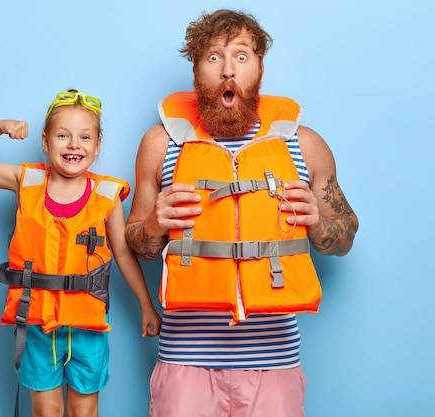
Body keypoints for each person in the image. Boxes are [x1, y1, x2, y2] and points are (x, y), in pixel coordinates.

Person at [125, 9, 358, 417]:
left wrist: (319, 224)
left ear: (260, 69)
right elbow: (138, 244)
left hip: (275, 361)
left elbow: (346, 236)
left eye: (242, 56)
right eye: (213, 57)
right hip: (184, 360)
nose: (228, 70)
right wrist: (153, 224)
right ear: (196, 71)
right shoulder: (161, 145)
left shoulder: (303, 145)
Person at [0, 89, 161, 417]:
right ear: (45, 141)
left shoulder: (107, 195)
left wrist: (146, 306)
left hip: (88, 325)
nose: (73, 145)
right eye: (63, 135)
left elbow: (123, 254)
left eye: (84, 137)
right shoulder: (27, 180)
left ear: (97, 145)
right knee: (45, 410)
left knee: (84, 409)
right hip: (38, 321)